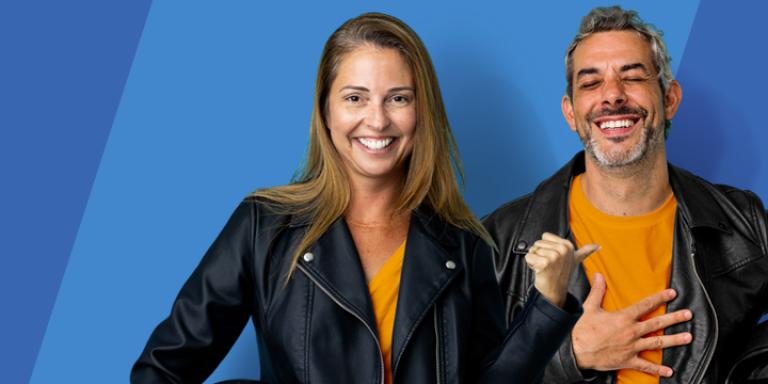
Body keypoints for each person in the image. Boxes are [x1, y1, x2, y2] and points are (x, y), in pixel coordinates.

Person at [132, 13, 591, 384]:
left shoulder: (465, 247)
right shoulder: (263, 227)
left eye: (398, 98)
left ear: (421, 112)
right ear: (325, 109)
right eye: (355, 98)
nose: (377, 120)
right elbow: (161, 371)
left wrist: (549, 303)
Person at [484, 6, 768, 383]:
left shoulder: (743, 224)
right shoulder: (500, 243)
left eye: (632, 77)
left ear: (669, 99)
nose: (612, 96)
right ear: (570, 113)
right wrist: (571, 356)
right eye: (590, 83)